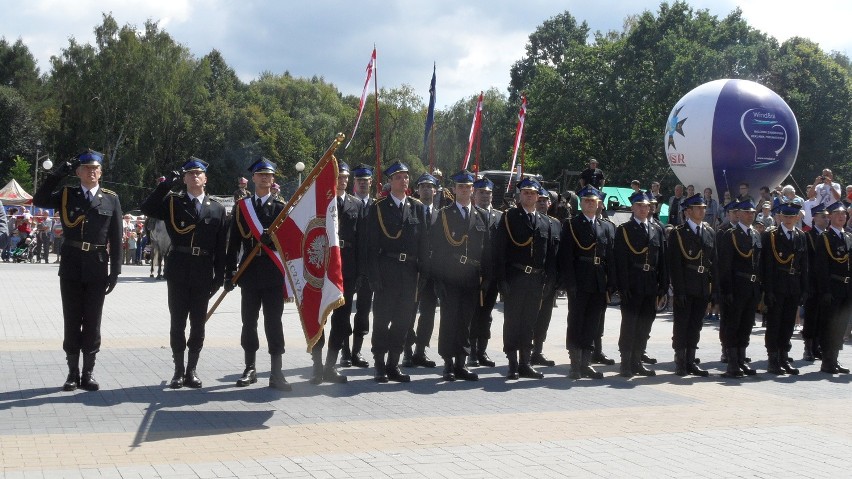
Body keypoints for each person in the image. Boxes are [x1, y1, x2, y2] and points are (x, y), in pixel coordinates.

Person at [32, 150, 123, 392]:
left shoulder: (111, 199)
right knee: (72, 320)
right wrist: (57, 174)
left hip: (97, 266)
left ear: (101, 172)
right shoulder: (66, 194)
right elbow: (39, 199)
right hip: (71, 265)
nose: (92, 172)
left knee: (93, 322)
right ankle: (72, 372)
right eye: (87, 168)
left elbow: (116, 235)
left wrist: (115, 271)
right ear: (78, 172)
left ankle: (88, 372)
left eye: (96, 169)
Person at [141, 157, 228, 389]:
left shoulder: (217, 208)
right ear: (184, 178)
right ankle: (178, 370)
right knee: (177, 322)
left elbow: (221, 246)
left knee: (198, 323)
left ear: (205, 178)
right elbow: (147, 208)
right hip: (178, 267)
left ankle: (192, 369)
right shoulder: (173, 203)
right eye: (189, 174)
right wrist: (166, 183)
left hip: (203, 269)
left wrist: (220, 277)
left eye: (198, 173)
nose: (194, 177)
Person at [225, 158, 292, 391]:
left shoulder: (281, 208)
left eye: (269, 175)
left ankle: (276, 372)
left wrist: (271, 240)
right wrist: (229, 271)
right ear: (253, 178)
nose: (265, 178)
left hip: (273, 273)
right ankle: (250, 368)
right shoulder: (242, 207)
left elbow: (289, 243)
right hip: (250, 272)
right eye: (260, 174)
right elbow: (233, 242)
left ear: (273, 179)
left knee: (274, 323)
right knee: (249, 322)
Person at [364, 160, 426, 383]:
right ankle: (379, 363)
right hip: (386, 270)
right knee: (382, 320)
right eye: (398, 177)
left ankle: (393, 364)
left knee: (403, 321)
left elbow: (424, 244)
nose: (404, 180)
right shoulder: (379, 208)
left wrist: (423, 275)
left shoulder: (417, 207)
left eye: (406, 176)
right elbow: (370, 246)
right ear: (390, 182)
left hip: (409, 272)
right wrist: (373, 276)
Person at [428, 170, 492, 381]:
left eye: (468, 187)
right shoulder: (444, 214)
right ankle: (448, 363)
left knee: (465, 321)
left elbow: (487, 249)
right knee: (449, 320)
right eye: (461, 187)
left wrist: (486, 278)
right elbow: (435, 250)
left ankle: (461, 363)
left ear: (473, 190)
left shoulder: (480, 215)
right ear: (454, 190)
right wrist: (438, 280)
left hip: (472, 276)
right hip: (450, 275)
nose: (465, 191)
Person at [494, 177, 557, 380]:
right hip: (516, 276)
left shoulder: (545, 221)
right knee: (513, 320)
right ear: (519, 195)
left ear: (538, 196)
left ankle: (525, 362)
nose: (529, 196)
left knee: (530, 321)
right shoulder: (509, 217)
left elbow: (549, 254)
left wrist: (549, 280)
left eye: (533, 193)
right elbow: (500, 251)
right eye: (526, 193)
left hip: (536, 279)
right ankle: (512, 363)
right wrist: (501, 279)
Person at [307, 161, 355, 384]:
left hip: (347, 270)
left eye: (345, 177)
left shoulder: (356, 205)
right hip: (322, 268)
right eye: (339, 177)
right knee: (319, 317)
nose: (343, 181)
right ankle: (317, 366)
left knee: (342, 321)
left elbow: (365, 240)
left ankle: (331, 365)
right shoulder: (319, 204)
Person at [559, 185, 614, 380]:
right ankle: (575, 364)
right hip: (580, 279)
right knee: (576, 322)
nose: (590, 204)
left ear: (599, 203)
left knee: (593, 323)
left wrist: (610, 284)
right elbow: (566, 257)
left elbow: (610, 258)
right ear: (581, 203)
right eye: (586, 201)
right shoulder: (572, 224)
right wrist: (569, 283)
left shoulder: (606, 226)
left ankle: (586, 363)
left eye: (593, 201)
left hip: (599, 281)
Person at [614, 191, 668, 377]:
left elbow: (662, 260)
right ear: (632, 207)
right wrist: (622, 285)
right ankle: (626, 362)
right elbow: (619, 260)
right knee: (630, 323)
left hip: (650, 282)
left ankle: (637, 360)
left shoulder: (657, 229)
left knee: (645, 323)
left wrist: (663, 285)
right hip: (633, 282)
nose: (643, 209)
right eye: (639, 206)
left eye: (646, 206)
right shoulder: (624, 229)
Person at [667, 193, 714, 377]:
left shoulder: (709, 232)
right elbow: (675, 264)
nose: (702, 211)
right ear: (688, 211)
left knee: (696, 325)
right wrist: (679, 290)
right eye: (698, 208)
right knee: (682, 324)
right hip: (686, 285)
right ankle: (680, 361)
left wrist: (712, 288)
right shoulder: (679, 233)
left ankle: (690, 360)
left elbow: (712, 261)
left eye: (703, 208)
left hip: (702, 285)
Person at [761, 201, 808, 375]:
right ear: (780, 216)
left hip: (793, 284)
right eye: (785, 216)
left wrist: (804, 288)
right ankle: (773, 359)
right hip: (777, 284)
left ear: (797, 217)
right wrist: (769, 289)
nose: (788, 220)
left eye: (791, 216)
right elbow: (767, 265)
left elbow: (804, 264)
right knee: (775, 323)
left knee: (788, 323)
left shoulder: (801, 235)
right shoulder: (771, 235)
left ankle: (783, 356)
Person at [716, 199, 761, 378]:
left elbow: (759, 264)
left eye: (752, 212)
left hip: (751, 287)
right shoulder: (730, 235)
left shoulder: (756, 234)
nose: (750, 215)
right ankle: (732, 362)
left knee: (746, 324)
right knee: (732, 325)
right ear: (739, 214)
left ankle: (741, 359)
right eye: (746, 212)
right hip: (736, 287)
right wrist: (726, 290)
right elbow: (724, 266)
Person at [401, 173, 440, 369]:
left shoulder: (440, 215)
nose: (426, 190)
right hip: (413, 270)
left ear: (435, 190)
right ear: (417, 189)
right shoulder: (411, 212)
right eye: (422, 186)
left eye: (429, 187)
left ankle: (420, 350)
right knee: (409, 311)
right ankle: (407, 351)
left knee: (428, 313)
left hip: (432, 272)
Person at [468, 176, 501, 368]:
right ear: (474, 194)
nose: (485, 196)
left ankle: (482, 350)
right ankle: (471, 351)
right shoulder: (470, 214)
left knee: (487, 314)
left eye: (488, 193)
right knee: (473, 313)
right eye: (481, 192)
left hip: (493, 275)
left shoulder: (499, 216)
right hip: (474, 273)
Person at [814, 201, 851, 374]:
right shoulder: (825, 238)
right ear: (830, 217)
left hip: (846, 287)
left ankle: (834, 359)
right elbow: (821, 267)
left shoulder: (848, 236)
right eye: (837, 214)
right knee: (829, 325)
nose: (841, 217)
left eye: (844, 214)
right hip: (832, 286)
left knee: (841, 325)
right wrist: (825, 290)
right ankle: (827, 361)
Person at [346, 164, 374, 368]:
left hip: (370, 268)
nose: (363, 184)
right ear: (354, 183)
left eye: (366, 181)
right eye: (360, 181)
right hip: (349, 266)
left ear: (371, 183)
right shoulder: (348, 204)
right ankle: (344, 351)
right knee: (344, 310)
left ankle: (357, 351)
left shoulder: (378, 206)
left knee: (363, 311)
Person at [530, 188, 561, 368]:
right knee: (529, 316)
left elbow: (559, 253)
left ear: (550, 203)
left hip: (549, 279)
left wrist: (558, 279)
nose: (542, 203)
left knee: (544, 317)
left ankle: (538, 350)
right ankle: (525, 351)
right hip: (532, 278)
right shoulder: (531, 221)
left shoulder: (556, 224)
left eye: (545, 201)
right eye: (539, 200)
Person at [802, 204, 829, 361]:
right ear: (814, 218)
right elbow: (807, 263)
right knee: (811, 316)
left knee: (823, 317)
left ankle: (818, 346)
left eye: (826, 216)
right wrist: (807, 285)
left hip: (826, 283)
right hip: (813, 283)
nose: (826, 219)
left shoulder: (829, 235)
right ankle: (808, 347)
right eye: (823, 216)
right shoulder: (808, 236)